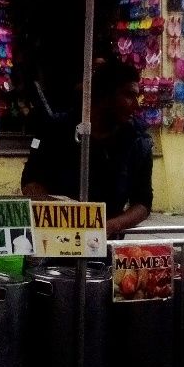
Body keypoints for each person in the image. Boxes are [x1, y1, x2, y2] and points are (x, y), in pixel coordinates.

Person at [21, 59, 152, 237]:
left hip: (105, 246)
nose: (136, 105)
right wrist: (66, 216)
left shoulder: (138, 142)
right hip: (54, 241)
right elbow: (30, 183)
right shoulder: (55, 130)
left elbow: (143, 203)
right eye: (129, 95)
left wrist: (109, 226)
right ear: (105, 96)